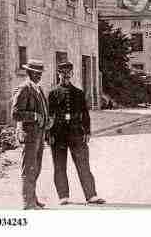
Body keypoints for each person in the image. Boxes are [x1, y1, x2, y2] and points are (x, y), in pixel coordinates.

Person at [47, 61, 105, 206]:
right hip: (58, 133)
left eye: (68, 73)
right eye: (63, 73)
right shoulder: (52, 93)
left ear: (72, 74)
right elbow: (49, 115)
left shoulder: (78, 93)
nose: (66, 76)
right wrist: (49, 134)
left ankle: (91, 195)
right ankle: (63, 196)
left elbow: (85, 114)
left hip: (76, 133)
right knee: (59, 165)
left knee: (83, 164)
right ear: (58, 74)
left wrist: (87, 131)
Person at [12, 59, 52, 210]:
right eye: (36, 73)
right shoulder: (24, 89)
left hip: (39, 135)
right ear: (29, 73)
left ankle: (33, 198)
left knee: (36, 167)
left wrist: (48, 121)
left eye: (40, 73)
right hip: (29, 135)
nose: (39, 76)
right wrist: (34, 116)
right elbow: (15, 114)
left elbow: (43, 110)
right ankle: (27, 202)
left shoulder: (38, 89)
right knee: (28, 168)